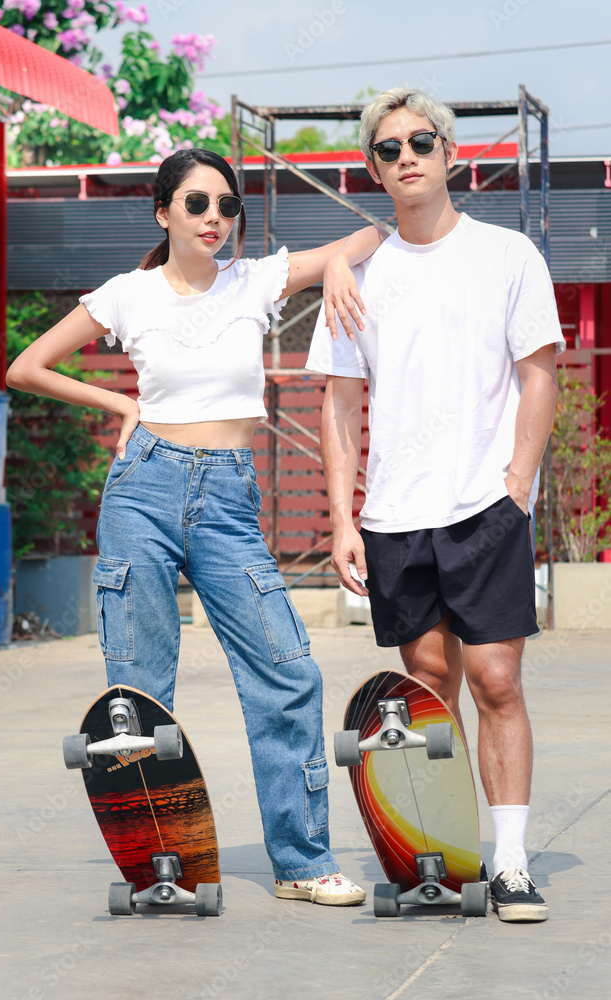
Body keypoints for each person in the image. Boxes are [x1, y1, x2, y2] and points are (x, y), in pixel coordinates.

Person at [6, 147, 388, 906]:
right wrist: (122, 407)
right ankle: (157, 868)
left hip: (227, 501)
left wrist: (340, 266)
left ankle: (301, 862)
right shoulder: (127, 294)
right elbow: (27, 366)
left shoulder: (256, 280)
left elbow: (371, 234)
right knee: (138, 692)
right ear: (163, 212)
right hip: (142, 490)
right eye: (196, 204)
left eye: (225, 206)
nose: (214, 218)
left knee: (286, 673)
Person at [307, 88, 564, 922]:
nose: (407, 155)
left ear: (449, 155)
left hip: (482, 507)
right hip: (394, 516)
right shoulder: (356, 277)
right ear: (373, 168)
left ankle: (512, 861)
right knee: (423, 683)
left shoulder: (506, 254)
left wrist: (516, 479)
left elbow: (538, 369)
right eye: (388, 148)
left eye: (422, 141)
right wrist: (344, 518)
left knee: (495, 679)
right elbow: (340, 404)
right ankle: (442, 856)